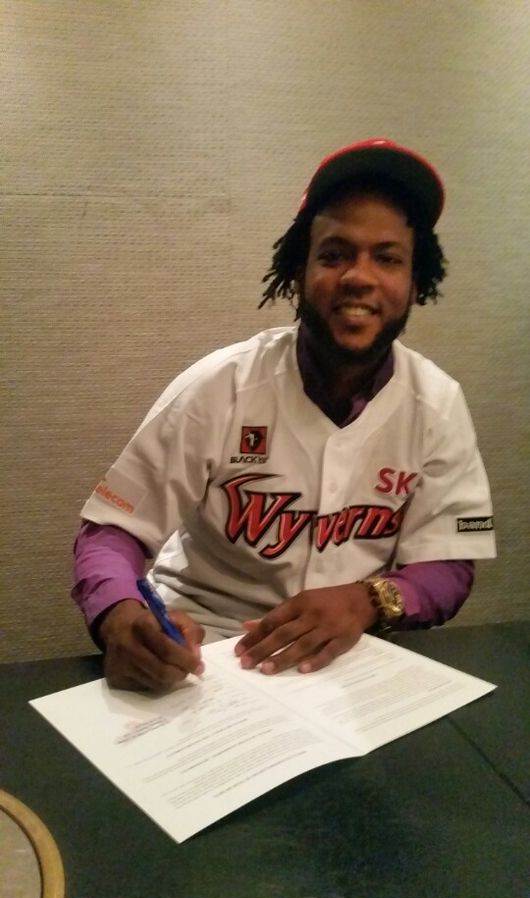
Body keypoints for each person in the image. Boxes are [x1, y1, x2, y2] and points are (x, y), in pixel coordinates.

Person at [72, 138, 496, 691]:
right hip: (206, 656)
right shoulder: (220, 386)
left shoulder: (438, 404)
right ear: (298, 271)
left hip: (352, 656)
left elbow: (449, 564)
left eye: (387, 258)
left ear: (416, 283)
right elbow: (112, 531)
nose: (360, 276)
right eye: (335, 254)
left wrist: (367, 600)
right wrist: (120, 616)